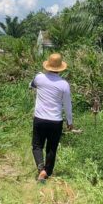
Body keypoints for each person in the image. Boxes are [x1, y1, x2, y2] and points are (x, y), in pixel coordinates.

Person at [30, 53, 73, 182]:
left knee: (37, 145)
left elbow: (31, 85)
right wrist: (70, 122)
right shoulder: (64, 84)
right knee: (52, 147)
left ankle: (41, 169)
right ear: (60, 68)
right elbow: (67, 105)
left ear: (47, 65)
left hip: (40, 119)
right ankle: (47, 172)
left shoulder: (39, 78)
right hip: (56, 121)